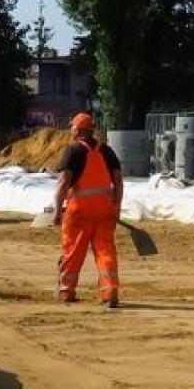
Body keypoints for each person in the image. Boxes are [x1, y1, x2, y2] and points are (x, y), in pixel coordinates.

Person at [51, 112, 122, 308]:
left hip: (79, 213)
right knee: (105, 251)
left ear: (78, 130)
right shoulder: (107, 151)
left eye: (72, 127)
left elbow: (64, 182)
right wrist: (117, 205)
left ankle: (66, 291)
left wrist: (57, 209)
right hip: (105, 211)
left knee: (73, 252)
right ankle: (110, 291)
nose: (70, 130)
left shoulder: (73, 151)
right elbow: (118, 180)